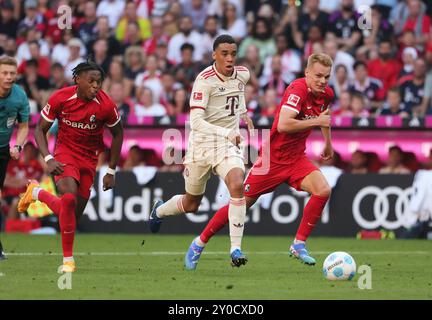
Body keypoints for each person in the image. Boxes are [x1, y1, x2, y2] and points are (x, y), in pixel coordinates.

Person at [183, 53, 334, 270]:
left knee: (323, 190)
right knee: (241, 203)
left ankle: (299, 244)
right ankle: (199, 243)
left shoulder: (326, 94)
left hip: (297, 158)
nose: (322, 81)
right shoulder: (297, 90)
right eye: (318, 75)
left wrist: (327, 142)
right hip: (272, 160)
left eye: (326, 77)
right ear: (307, 72)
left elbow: (324, 117)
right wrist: (318, 121)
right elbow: (283, 125)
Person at [147, 34, 254, 268]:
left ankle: (235, 248)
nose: (229, 58)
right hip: (201, 146)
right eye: (224, 54)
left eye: (233, 54)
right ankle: (159, 211)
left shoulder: (243, 74)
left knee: (237, 183)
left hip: (227, 146)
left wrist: (245, 116)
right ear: (214, 55)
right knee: (192, 204)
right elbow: (195, 122)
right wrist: (226, 132)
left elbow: (238, 97)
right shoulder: (204, 80)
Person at [17, 60, 124, 272]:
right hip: (65, 154)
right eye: (91, 81)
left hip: (89, 159)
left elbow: (118, 133)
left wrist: (111, 170)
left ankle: (37, 193)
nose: (96, 86)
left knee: (72, 215)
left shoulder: (106, 105)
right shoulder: (60, 97)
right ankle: (68, 261)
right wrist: (48, 158)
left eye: (99, 82)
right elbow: (39, 130)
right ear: (77, 79)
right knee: (68, 197)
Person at [0, 56, 30, 260]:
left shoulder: (20, 97)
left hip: (3, 151)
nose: (9, 77)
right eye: (4, 73)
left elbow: (24, 127)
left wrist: (18, 145)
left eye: (12, 73)